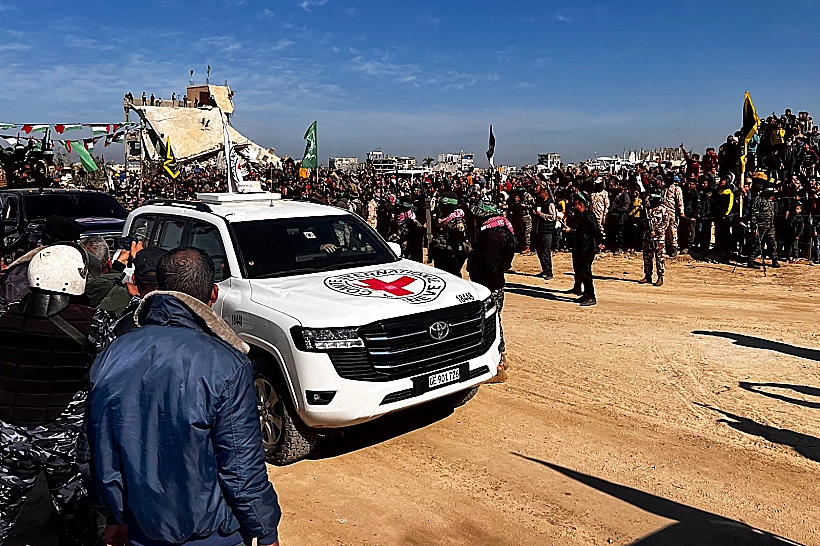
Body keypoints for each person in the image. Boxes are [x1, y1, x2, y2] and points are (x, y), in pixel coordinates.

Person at [84, 248, 282, 546]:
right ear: (213, 294)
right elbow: (241, 466)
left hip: (142, 527)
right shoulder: (227, 363)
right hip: (212, 533)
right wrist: (265, 529)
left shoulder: (114, 353)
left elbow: (94, 451)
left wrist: (113, 515)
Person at [0, 244, 101, 545]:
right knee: (78, 515)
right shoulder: (93, 323)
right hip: (65, 443)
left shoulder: (5, 318)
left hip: (10, 437)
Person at [467, 201, 517, 382]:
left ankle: (496, 366)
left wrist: (471, 254)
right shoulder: (504, 231)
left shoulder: (492, 236)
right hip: (496, 282)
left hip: (488, 283)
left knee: (489, 324)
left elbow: (486, 261)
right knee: (495, 321)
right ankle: (501, 357)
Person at [565, 193, 604, 306]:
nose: (574, 207)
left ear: (581, 205)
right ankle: (585, 294)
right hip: (578, 248)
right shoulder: (578, 216)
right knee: (580, 271)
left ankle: (591, 296)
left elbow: (594, 232)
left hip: (587, 249)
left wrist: (599, 244)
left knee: (586, 273)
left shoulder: (589, 216)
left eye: (576, 205)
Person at [430, 192, 470, 277]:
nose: (442, 208)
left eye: (444, 206)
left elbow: (460, 244)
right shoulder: (441, 218)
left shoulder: (457, 221)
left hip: (450, 259)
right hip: (440, 256)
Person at [746, 179, 780, 269]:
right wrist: (754, 226)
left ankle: (774, 259)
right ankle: (750, 260)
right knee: (757, 243)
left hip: (770, 225)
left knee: (772, 243)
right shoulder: (758, 200)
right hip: (760, 225)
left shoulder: (770, 201)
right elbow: (753, 214)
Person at [640, 193, 669, 286]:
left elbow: (666, 223)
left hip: (658, 238)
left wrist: (656, 231)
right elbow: (643, 221)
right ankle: (648, 275)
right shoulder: (647, 210)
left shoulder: (663, 209)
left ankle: (660, 277)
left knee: (659, 258)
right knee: (647, 257)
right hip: (647, 237)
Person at [533, 185, 558, 279]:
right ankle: (544, 269)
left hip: (548, 230)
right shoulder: (541, 203)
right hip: (540, 229)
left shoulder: (550, 204)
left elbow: (552, 217)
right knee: (540, 251)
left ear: (545, 194)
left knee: (546, 251)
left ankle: (549, 272)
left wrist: (541, 215)